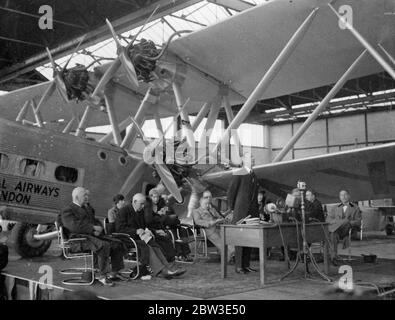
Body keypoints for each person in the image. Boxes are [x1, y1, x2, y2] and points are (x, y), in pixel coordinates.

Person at [60, 187, 127, 286]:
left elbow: (95, 222)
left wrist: (98, 230)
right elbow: (74, 226)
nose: (87, 197)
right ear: (76, 197)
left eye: (87, 195)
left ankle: (114, 273)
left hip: (90, 237)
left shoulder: (87, 209)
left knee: (116, 243)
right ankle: (102, 275)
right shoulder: (68, 210)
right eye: (84, 195)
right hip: (77, 239)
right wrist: (92, 228)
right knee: (103, 245)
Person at [115, 193, 186, 279]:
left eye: (143, 204)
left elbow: (144, 226)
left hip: (139, 237)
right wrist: (136, 231)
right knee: (148, 247)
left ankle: (168, 267)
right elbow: (119, 228)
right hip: (127, 238)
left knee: (155, 244)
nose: (143, 206)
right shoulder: (123, 211)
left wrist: (153, 231)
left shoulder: (140, 211)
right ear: (134, 202)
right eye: (141, 204)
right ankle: (161, 270)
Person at [227, 154, 259, 274]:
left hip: (252, 213)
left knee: (249, 239)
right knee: (240, 239)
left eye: (253, 157)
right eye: (251, 157)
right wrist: (233, 209)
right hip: (240, 212)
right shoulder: (239, 172)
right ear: (244, 160)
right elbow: (231, 192)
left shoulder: (253, 175)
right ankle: (239, 266)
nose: (253, 159)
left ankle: (246, 265)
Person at [145, 189, 192, 262]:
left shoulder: (163, 205)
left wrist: (165, 215)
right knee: (172, 234)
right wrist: (162, 217)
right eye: (154, 197)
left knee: (182, 230)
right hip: (161, 226)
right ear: (150, 197)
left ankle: (186, 253)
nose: (156, 199)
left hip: (169, 224)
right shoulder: (148, 206)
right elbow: (153, 219)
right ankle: (178, 254)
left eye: (157, 197)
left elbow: (171, 216)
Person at [192, 196, 234, 260]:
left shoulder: (212, 209)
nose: (207, 205)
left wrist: (221, 219)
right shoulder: (196, 211)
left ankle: (233, 253)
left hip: (218, 227)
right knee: (220, 242)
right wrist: (212, 222)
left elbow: (220, 217)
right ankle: (229, 256)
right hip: (207, 230)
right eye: (205, 204)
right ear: (200, 203)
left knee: (227, 238)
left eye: (208, 203)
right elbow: (198, 221)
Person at [327, 190, 362, 265]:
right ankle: (334, 258)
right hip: (337, 231)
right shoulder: (335, 208)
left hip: (348, 230)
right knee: (333, 234)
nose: (343, 197)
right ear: (339, 197)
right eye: (341, 195)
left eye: (345, 195)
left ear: (349, 196)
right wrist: (337, 222)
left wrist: (348, 222)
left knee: (345, 221)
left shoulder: (355, 208)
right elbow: (328, 219)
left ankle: (331, 230)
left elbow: (358, 222)